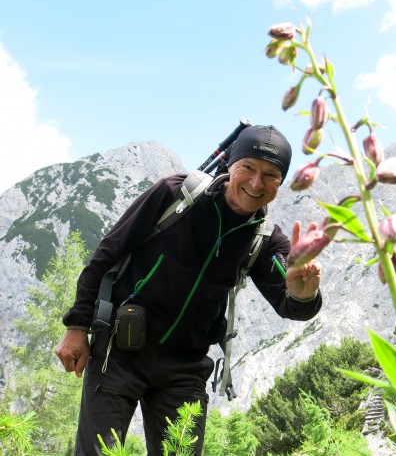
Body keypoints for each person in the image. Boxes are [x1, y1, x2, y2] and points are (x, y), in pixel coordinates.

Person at [55, 125, 323, 455]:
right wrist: (77, 326)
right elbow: (105, 254)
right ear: (231, 167)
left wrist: (303, 291)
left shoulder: (267, 241)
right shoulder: (174, 195)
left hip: (185, 372)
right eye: (248, 168)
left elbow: (291, 306)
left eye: (270, 175)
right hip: (119, 352)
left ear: (279, 184)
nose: (256, 183)